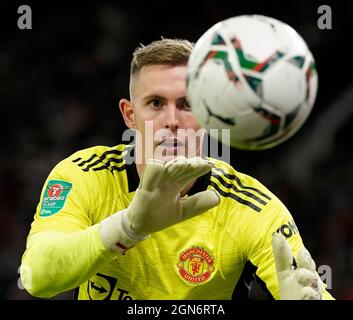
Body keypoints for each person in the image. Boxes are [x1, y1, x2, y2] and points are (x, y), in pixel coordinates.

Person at [20, 38, 334, 300]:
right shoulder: (86, 175)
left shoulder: (251, 208)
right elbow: (37, 276)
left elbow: (311, 289)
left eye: (187, 105)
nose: (172, 120)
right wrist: (128, 228)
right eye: (156, 103)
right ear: (130, 115)